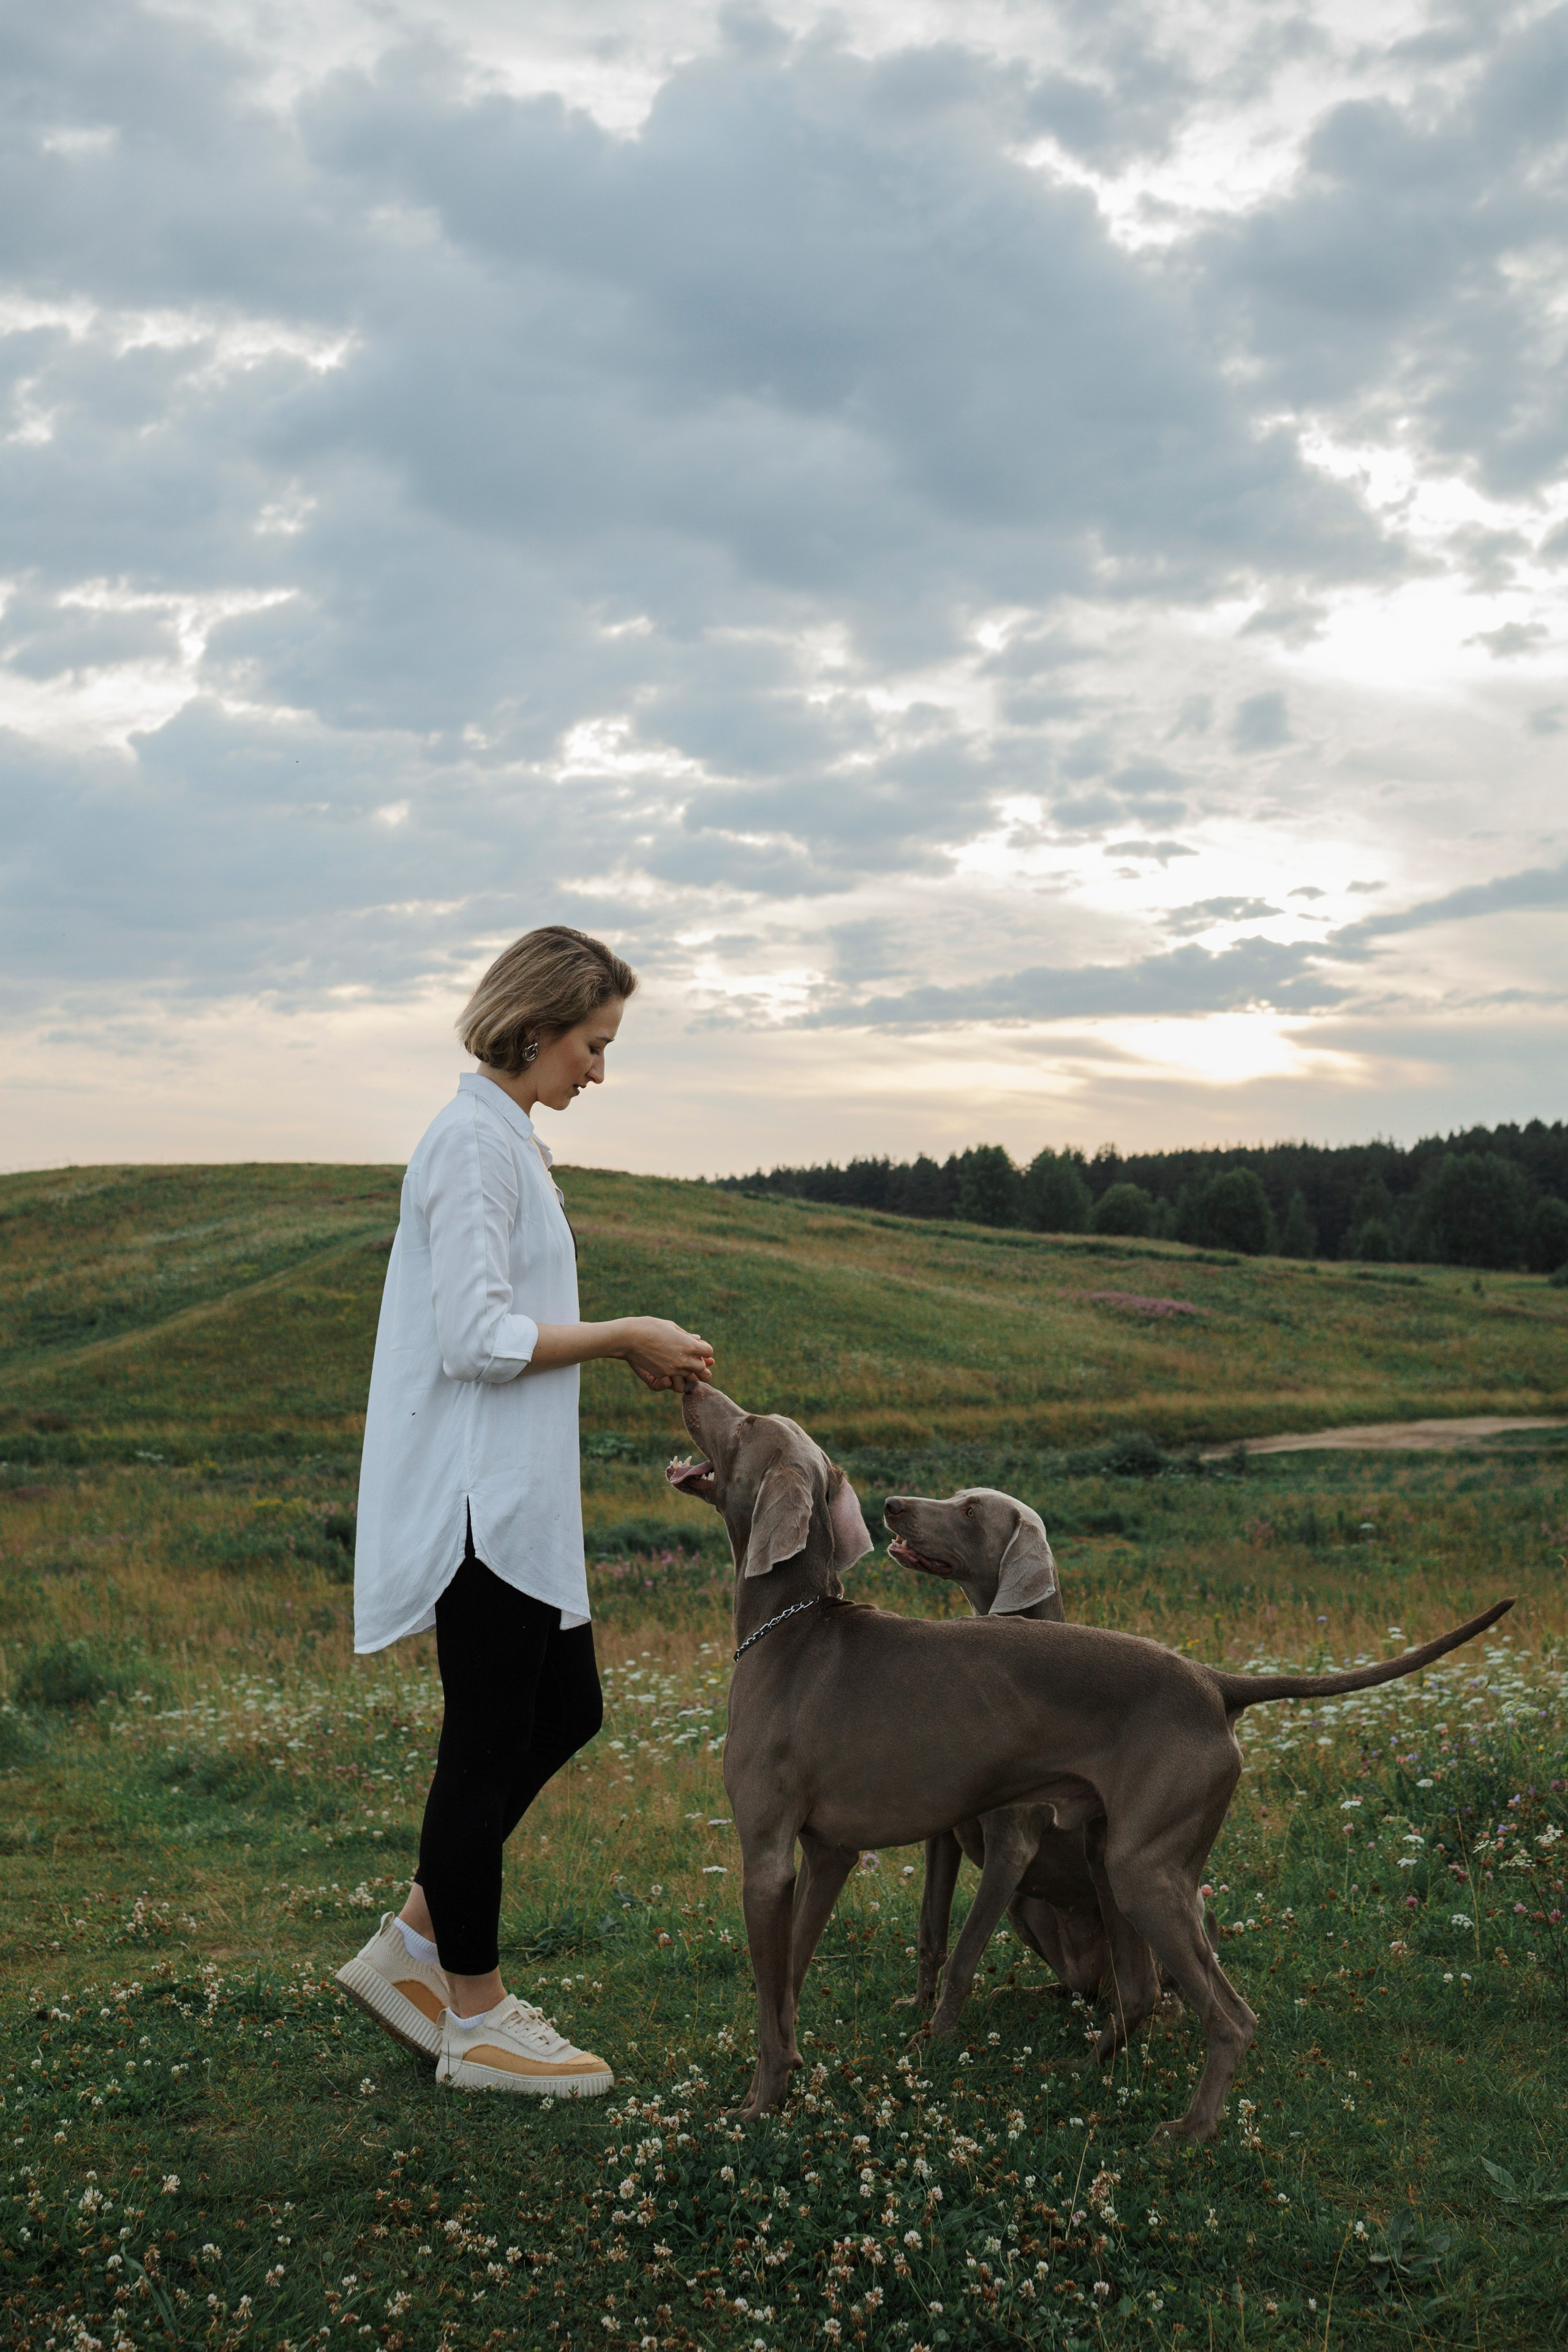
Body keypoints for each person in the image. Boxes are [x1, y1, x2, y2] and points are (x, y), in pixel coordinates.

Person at [336, 925, 714, 2097]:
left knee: (569, 1706)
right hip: (473, 1502)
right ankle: (479, 2018)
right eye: (594, 1045)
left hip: (515, 1495)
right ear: (538, 1026)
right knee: (486, 1743)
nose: (599, 1070)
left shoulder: (505, 1141)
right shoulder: (470, 1145)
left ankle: (412, 1945)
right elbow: (476, 1337)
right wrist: (625, 1336)